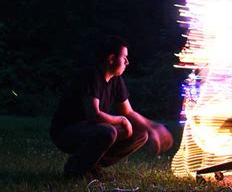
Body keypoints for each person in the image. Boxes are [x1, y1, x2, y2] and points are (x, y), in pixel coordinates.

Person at [50, 36, 173, 178]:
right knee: (107, 131)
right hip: (66, 132)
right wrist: (120, 120)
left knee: (140, 134)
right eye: (124, 57)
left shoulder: (116, 80)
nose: (127, 62)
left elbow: (128, 112)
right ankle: (75, 169)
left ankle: (92, 164)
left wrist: (153, 128)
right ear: (111, 59)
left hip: (91, 129)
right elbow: (94, 115)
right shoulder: (92, 76)